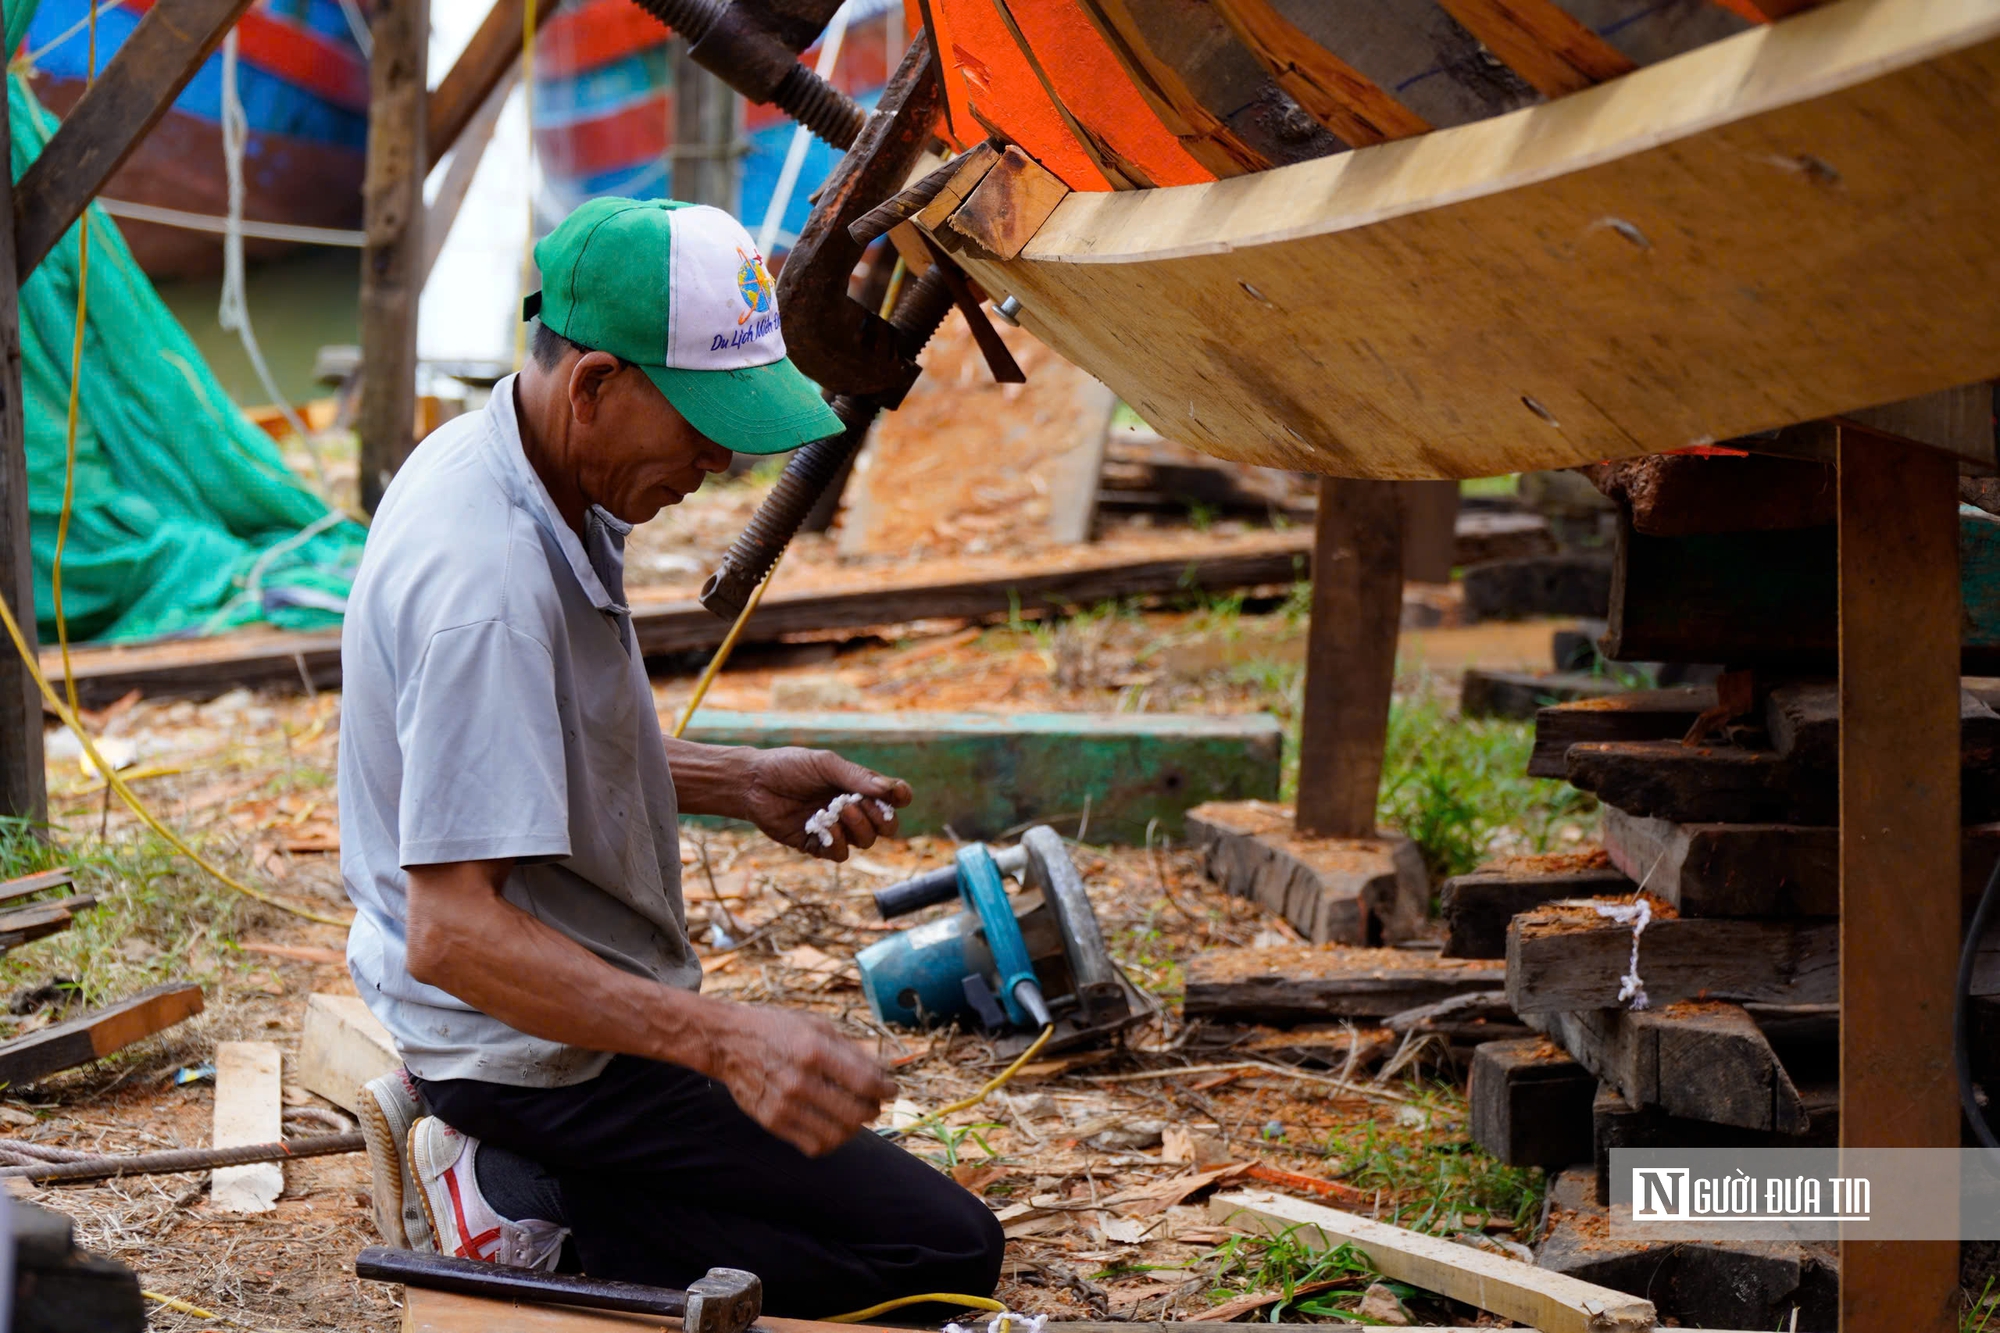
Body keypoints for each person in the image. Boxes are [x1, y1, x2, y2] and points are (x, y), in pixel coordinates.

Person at [337, 197, 1005, 1316]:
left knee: (867, 1230)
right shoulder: (487, 579)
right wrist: (723, 1039)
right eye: (698, 422)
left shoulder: (527, 464)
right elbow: (455, 932)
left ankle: (538, 1186)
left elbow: (512, 738)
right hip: (529, 1053)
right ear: (593, 385)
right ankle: (519, 1204)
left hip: (549, 1023)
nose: (715, 458)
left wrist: (737, 777)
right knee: (938, 1259)